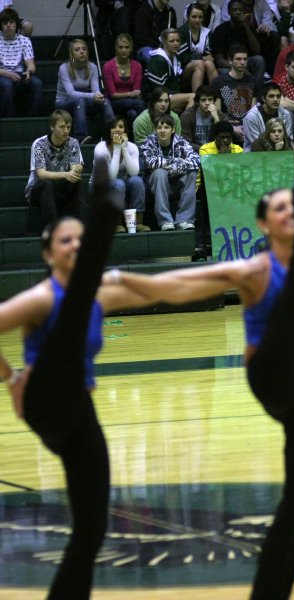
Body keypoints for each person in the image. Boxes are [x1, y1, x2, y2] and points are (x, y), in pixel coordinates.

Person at [110, 114, 294, 598]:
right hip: (269, 370)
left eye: (292, 207)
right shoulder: (254, 268)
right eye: (280, 207)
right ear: (263, 222)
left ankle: (270, 590)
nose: (287, 213)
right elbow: (181, 283)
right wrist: (124, 283)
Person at [0, 158, 158, 599]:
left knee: (92, 525)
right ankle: (106, 213)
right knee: (68, 311)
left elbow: (172, 287)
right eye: (65, 240)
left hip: (77, 408)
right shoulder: (40, 297)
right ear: (49, 253)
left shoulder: (98, 294)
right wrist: (12, 378)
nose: (72, 244)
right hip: (46, 396)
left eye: (80, 239)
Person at [139, 114, 201, 230]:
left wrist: (173, 167)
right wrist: (178, 162)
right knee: (159, 172)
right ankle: (165, 221)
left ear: (172, 130)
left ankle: (185, 220)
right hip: (155, 185)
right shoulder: (149, 142)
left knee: (191, 173)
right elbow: (151, 162)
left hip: (175, 184)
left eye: (166, 127)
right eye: (159, 127)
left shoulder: (180, 142)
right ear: (155, 130)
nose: (163, 131)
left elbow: (196, 160)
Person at [24, 110, 85, 226]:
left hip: (60, 189)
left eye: (68, 127)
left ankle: (81, 225)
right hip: (39, 190)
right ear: (52, 127)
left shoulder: (73, 143)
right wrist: (66, 174)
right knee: (47, 184)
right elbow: (41, 174)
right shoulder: (39, 144)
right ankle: (51, 228)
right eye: (62, 127)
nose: (66, 131)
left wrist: (77, 170)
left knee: (79, 183)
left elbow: (73, 171)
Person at [92, 115, 150, 233]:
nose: (117, 129)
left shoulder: (132, 147)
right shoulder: (100, 148)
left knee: (137, 180)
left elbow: (134, 172)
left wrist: (124, 148)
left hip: (122, 185)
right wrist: (117, 149)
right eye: (113, 127)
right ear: (108, 131)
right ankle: (116, 223)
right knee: (118, 183)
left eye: (121, 126)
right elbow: (111, 177)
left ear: (125, 130)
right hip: (101, 186)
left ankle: (138, 222)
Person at [55, 39, 114, 143]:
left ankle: (113, 135)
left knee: (105, 101)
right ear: (71, 54)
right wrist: (93, 96)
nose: (81, 52)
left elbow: (96, 90)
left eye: (84, 49)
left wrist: (99, 96)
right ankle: (81, 137)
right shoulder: (64, 68)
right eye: (77, 50)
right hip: (64, 102)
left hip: (83, 102)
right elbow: (71, 94)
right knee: (80, 101)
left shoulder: (92, 67)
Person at [210, 0, 267, 88]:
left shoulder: (249, 28)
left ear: (245, 12)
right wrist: (237, 67)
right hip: (228, 65)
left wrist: (246, 27)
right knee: (224, 72)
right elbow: (219, 60)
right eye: (235, 10)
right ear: (229, 12)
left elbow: (256, 51)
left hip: (245, 61)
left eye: (241, 10)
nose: (238, 12)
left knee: (259, 60)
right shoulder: (220, 30)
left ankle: (258, 95)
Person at [212, 44, 260, 143]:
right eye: (238, 59)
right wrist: (232, 129)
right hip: (226, 129)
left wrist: (247, 129)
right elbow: (217, 112)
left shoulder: (252, 81)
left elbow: (253, 111)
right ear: (230, 61)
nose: (242, 62)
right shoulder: (218, 82)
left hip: (247, 128)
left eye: (245, 59)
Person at [0, 7, 41, 117]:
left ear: (16, 25)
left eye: (12, 22)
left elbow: (31, 65)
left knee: (37, 83)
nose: (8, 25)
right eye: (5, 23)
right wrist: (7, 74)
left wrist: (28, 73)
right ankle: (10, 120)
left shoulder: (24, 40)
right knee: (7, 85)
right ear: (1, 26)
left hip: (19, 74)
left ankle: (33, 118)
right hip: (2, 74)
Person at [143, 28, 195, 111]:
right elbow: (159, 90)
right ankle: (185, 122)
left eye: (178, 41)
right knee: (193, 97)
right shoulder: (158, 60)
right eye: (172, 41)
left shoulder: (176, 57)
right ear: (164, 42)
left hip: (169, 95)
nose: (176, 43)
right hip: (155, 99)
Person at [102, 33, 145, 128]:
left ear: (131, 49)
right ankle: (143, 133)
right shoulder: (108, 66)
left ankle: (131, 139)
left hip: (131, 103)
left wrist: (133, 94)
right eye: (120, 47)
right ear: (116, 48)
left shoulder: (137, 66)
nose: (123, 50)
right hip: (113, 102)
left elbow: (136, 91)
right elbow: (113, 94)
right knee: (140, 103)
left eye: (127, 47)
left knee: (132, 114)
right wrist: (130, 94)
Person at [178, 2, 220, 93]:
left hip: (203, 69)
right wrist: (201, 58)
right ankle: (197, 101)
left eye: (200, 17)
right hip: (183, 71)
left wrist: (204, 58)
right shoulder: (181, 32)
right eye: (194, 17)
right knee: (200, 63)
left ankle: (218, 99)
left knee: (209, 63)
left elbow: (209, 56)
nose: (197, 20)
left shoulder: (207, 33)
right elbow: (183, 58)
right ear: (188, 17)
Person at [243, 81, 294, 149]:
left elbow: (288, 140)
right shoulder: (251, 117)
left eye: (278, 96)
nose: (275, 99)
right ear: (263, 98)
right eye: (271, 96)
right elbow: (257, 145)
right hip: (256, 154)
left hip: (281, 152)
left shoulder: (286, 114)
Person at [180, 85, 221, 151]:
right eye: (203, 100)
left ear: (214, 101)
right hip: (194, 153)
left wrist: (217, 120)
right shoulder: (187, 116)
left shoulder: (219, 115)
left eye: (210, 99)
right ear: (197, 102)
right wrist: (205, 150)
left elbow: (224, 142)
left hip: (214, 154)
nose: (207, 103)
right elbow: (185, 143)